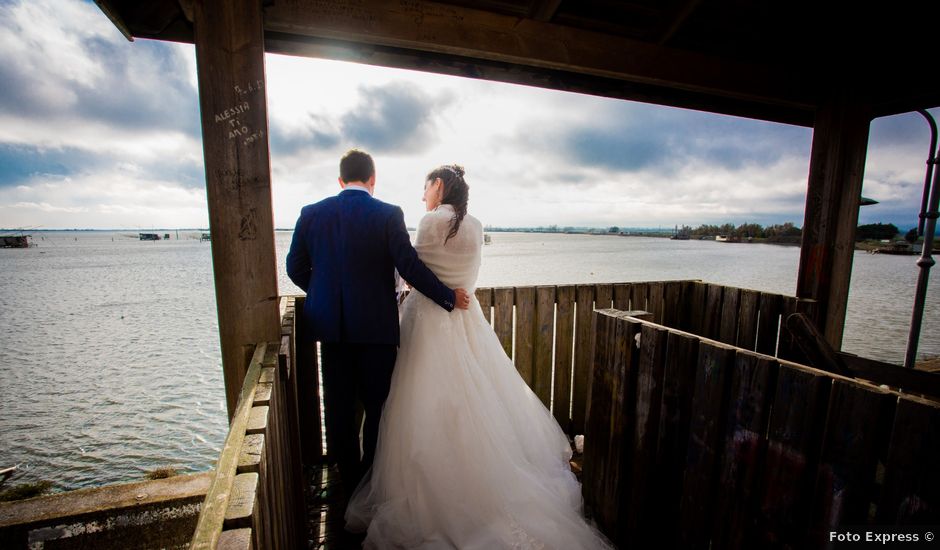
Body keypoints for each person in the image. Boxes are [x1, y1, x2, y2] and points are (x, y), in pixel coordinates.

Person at [345, 165, 612, 549]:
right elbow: (467, 276)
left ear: (438, 186)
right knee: (476, 401)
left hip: (428, 322)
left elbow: (411, 270)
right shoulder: (476, 225)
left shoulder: (429, 222)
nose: (423, 196)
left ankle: (433, 493)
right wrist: (455, 293)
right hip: (467, 320)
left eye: (425, 187)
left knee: (422, 407)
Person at [286, 150, 472, 502]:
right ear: (373, 180)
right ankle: (371, 481)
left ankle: (347, 484)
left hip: (333, 332)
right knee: (377, 409)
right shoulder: (388, 214)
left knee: (339, 411)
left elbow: (295, 266)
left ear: (341, 180)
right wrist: (448, 297)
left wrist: (326, 293)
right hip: (377, 331)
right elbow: (411, 267)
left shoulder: (311, 214)